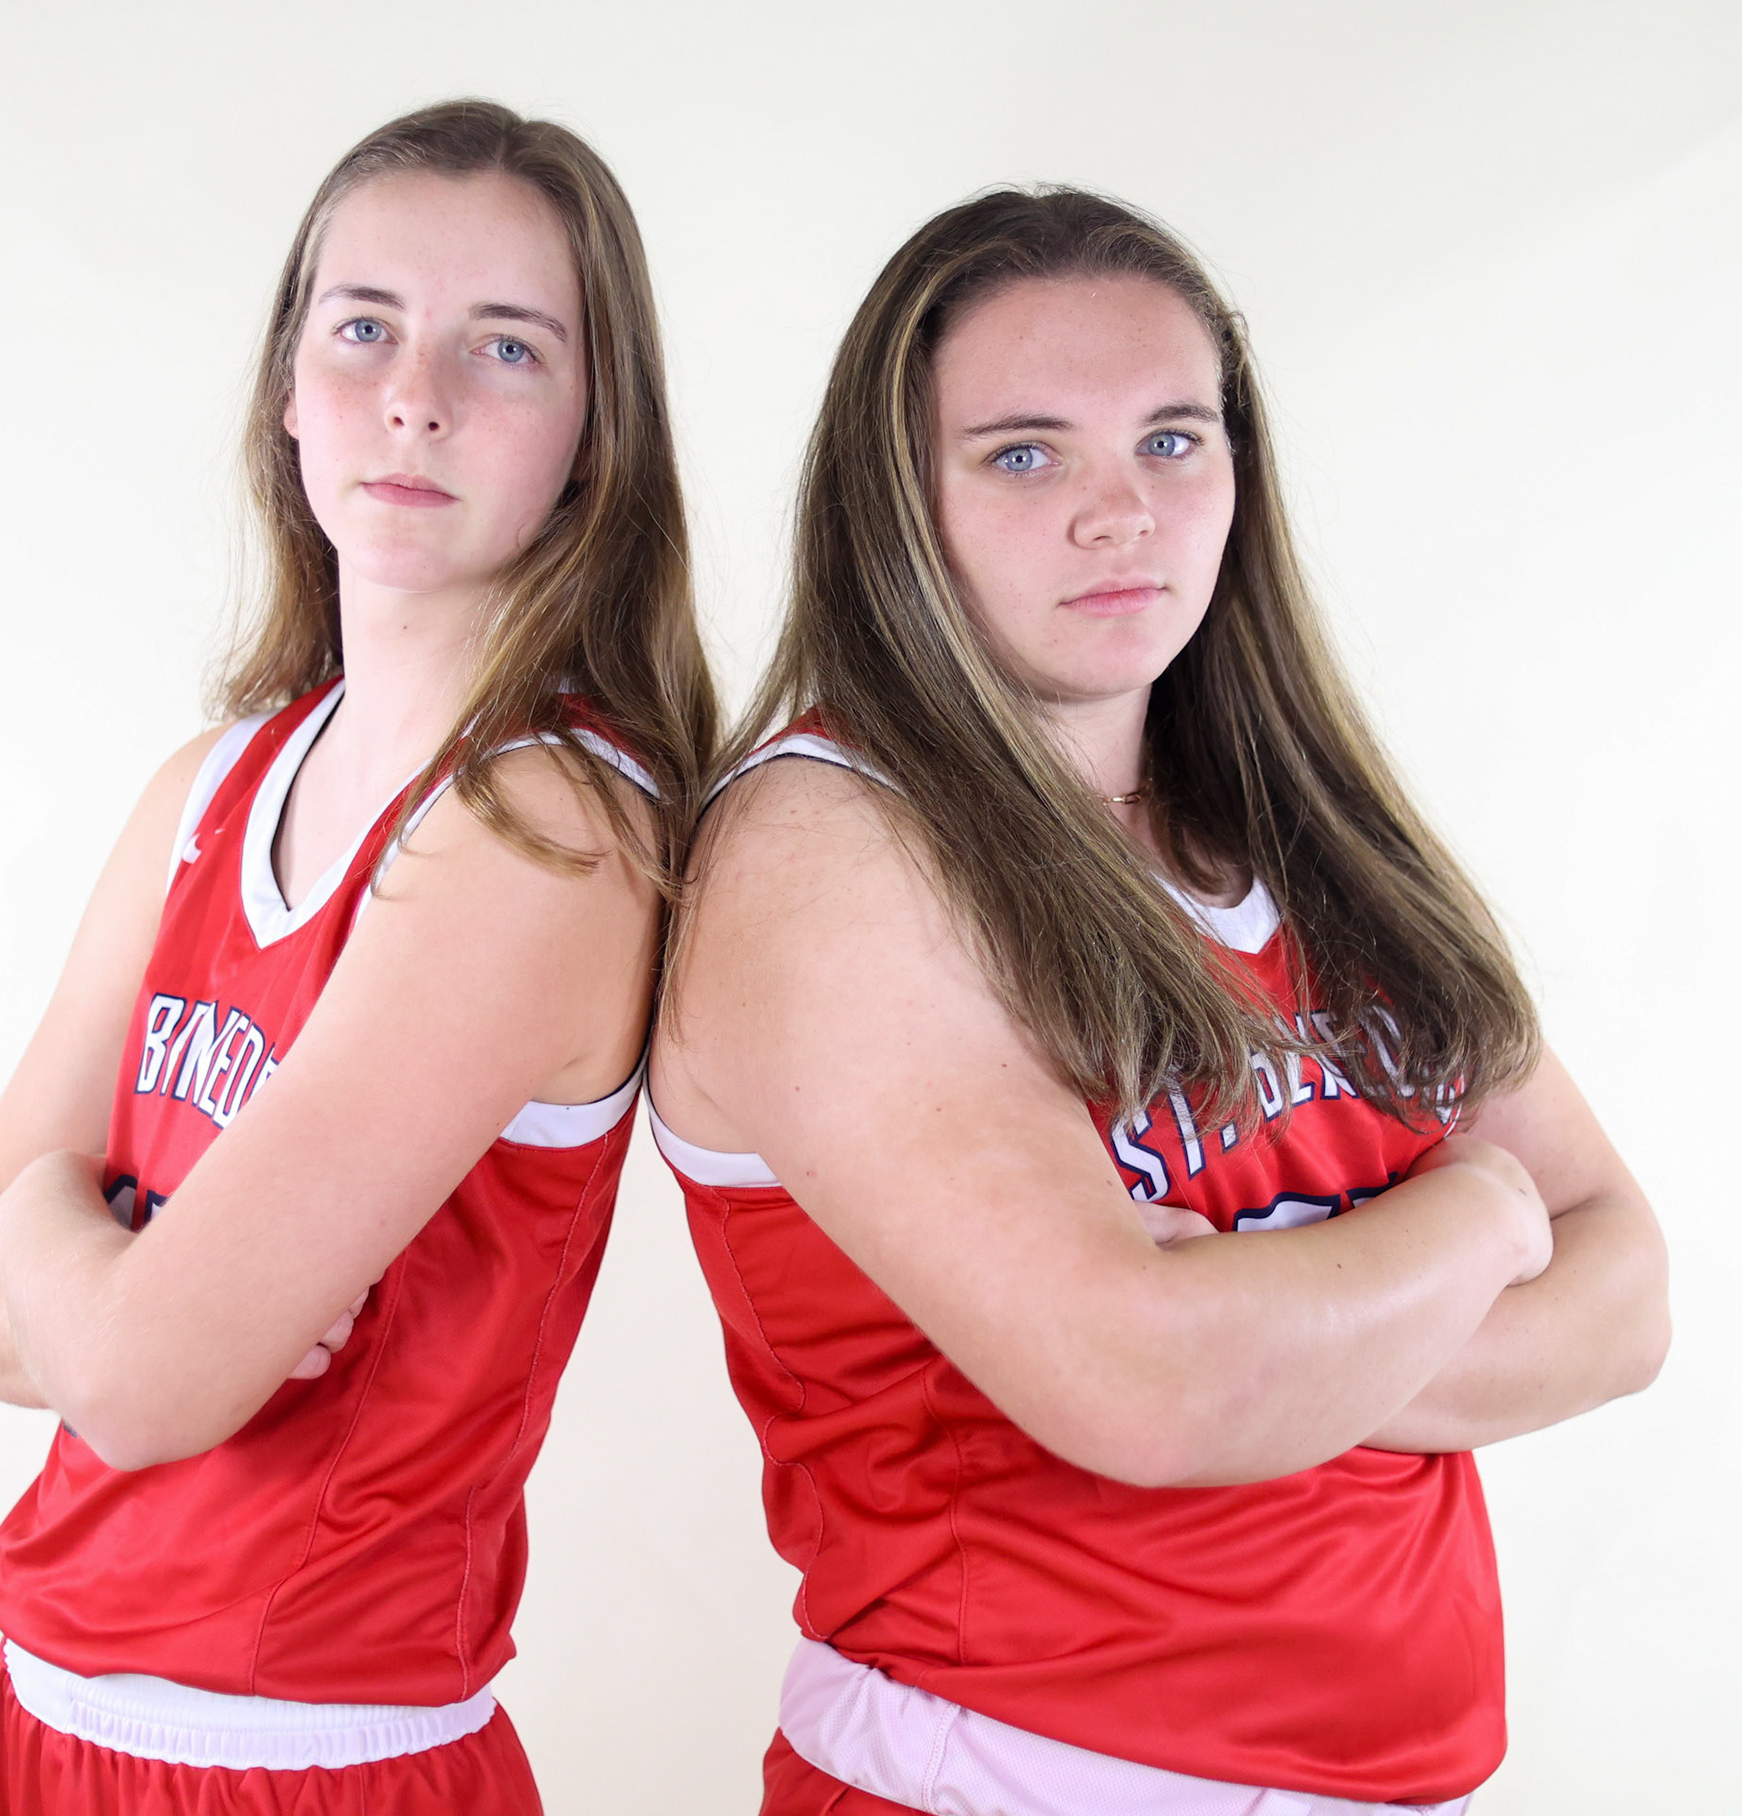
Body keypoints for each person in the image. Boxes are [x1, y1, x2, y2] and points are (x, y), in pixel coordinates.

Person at [649, 188, 1668, 1816]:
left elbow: (1627, 1293)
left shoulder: (1293, 816)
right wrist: (1474, 1214)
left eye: (1173, 441)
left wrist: (1265, 1334)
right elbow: (1149, 1389)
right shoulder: (826, 847)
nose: (1121, 512)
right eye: (1026, 452)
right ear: (895, 505)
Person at [0, 98, 713, 1815]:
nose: (415, 394)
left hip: (306, 1758)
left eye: (506, 347)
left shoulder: (551, 824)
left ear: (592, 434)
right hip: (44, 1710)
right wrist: (121, 1285)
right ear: (287, 390)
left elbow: (138, 1382)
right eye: (365, 330)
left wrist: (73, 1228)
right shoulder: (211, 786)